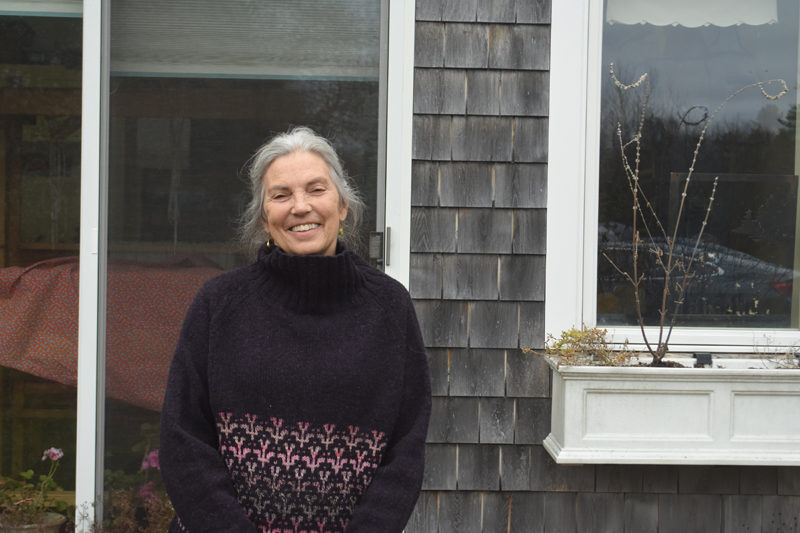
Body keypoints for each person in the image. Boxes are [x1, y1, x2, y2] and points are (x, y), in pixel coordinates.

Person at [159, 126, 431, 532]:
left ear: (342, 206)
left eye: (316, 189)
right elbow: (183, 439)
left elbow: (405, 448)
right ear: (264, 217)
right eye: (281, 195)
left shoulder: (389, 307)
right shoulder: (219, 303)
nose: (300, 207)